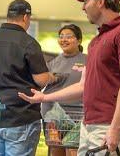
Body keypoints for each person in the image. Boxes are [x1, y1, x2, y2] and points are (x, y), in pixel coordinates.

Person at [18, 0, 120, 156]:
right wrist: (44, 97)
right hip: (89, 125)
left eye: (86, 1)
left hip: (111, 125)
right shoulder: (96, 42)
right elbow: (83, 86)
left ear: (101, 1)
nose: (83, 7)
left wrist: (115, 127)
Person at [0, 0, 56, 156]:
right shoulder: (28, 42)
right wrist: (53, 77)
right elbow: (41, 79)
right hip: (21, 117)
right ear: (26, 17)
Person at [41, 24, 86, 156]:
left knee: (73, 150)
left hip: (78, 114)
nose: (64, 40)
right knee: (56, 150)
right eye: (61, 37)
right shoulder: (52, 62)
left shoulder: (88, 60)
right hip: (52, 114)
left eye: (69, 37)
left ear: (79, 40)